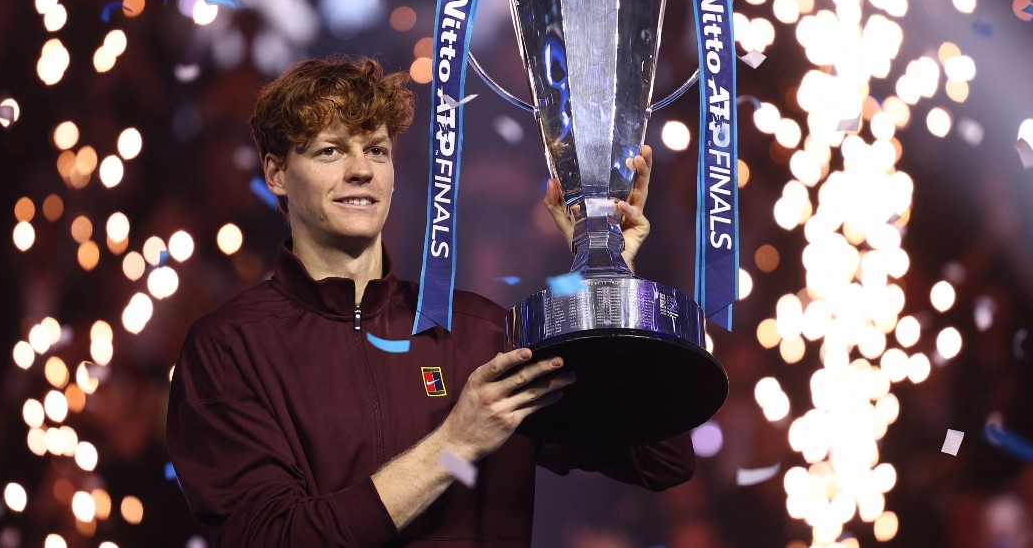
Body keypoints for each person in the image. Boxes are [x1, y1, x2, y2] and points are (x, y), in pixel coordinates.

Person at [166, 56, 694, 546]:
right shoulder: (227, 349)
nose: (361, 170)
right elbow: (275, 540)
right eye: (331, 150)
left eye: (376, 149)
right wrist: (455, 444)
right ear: (277, 173)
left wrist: (608, 275)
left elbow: (660, 457)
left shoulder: (480, 332)